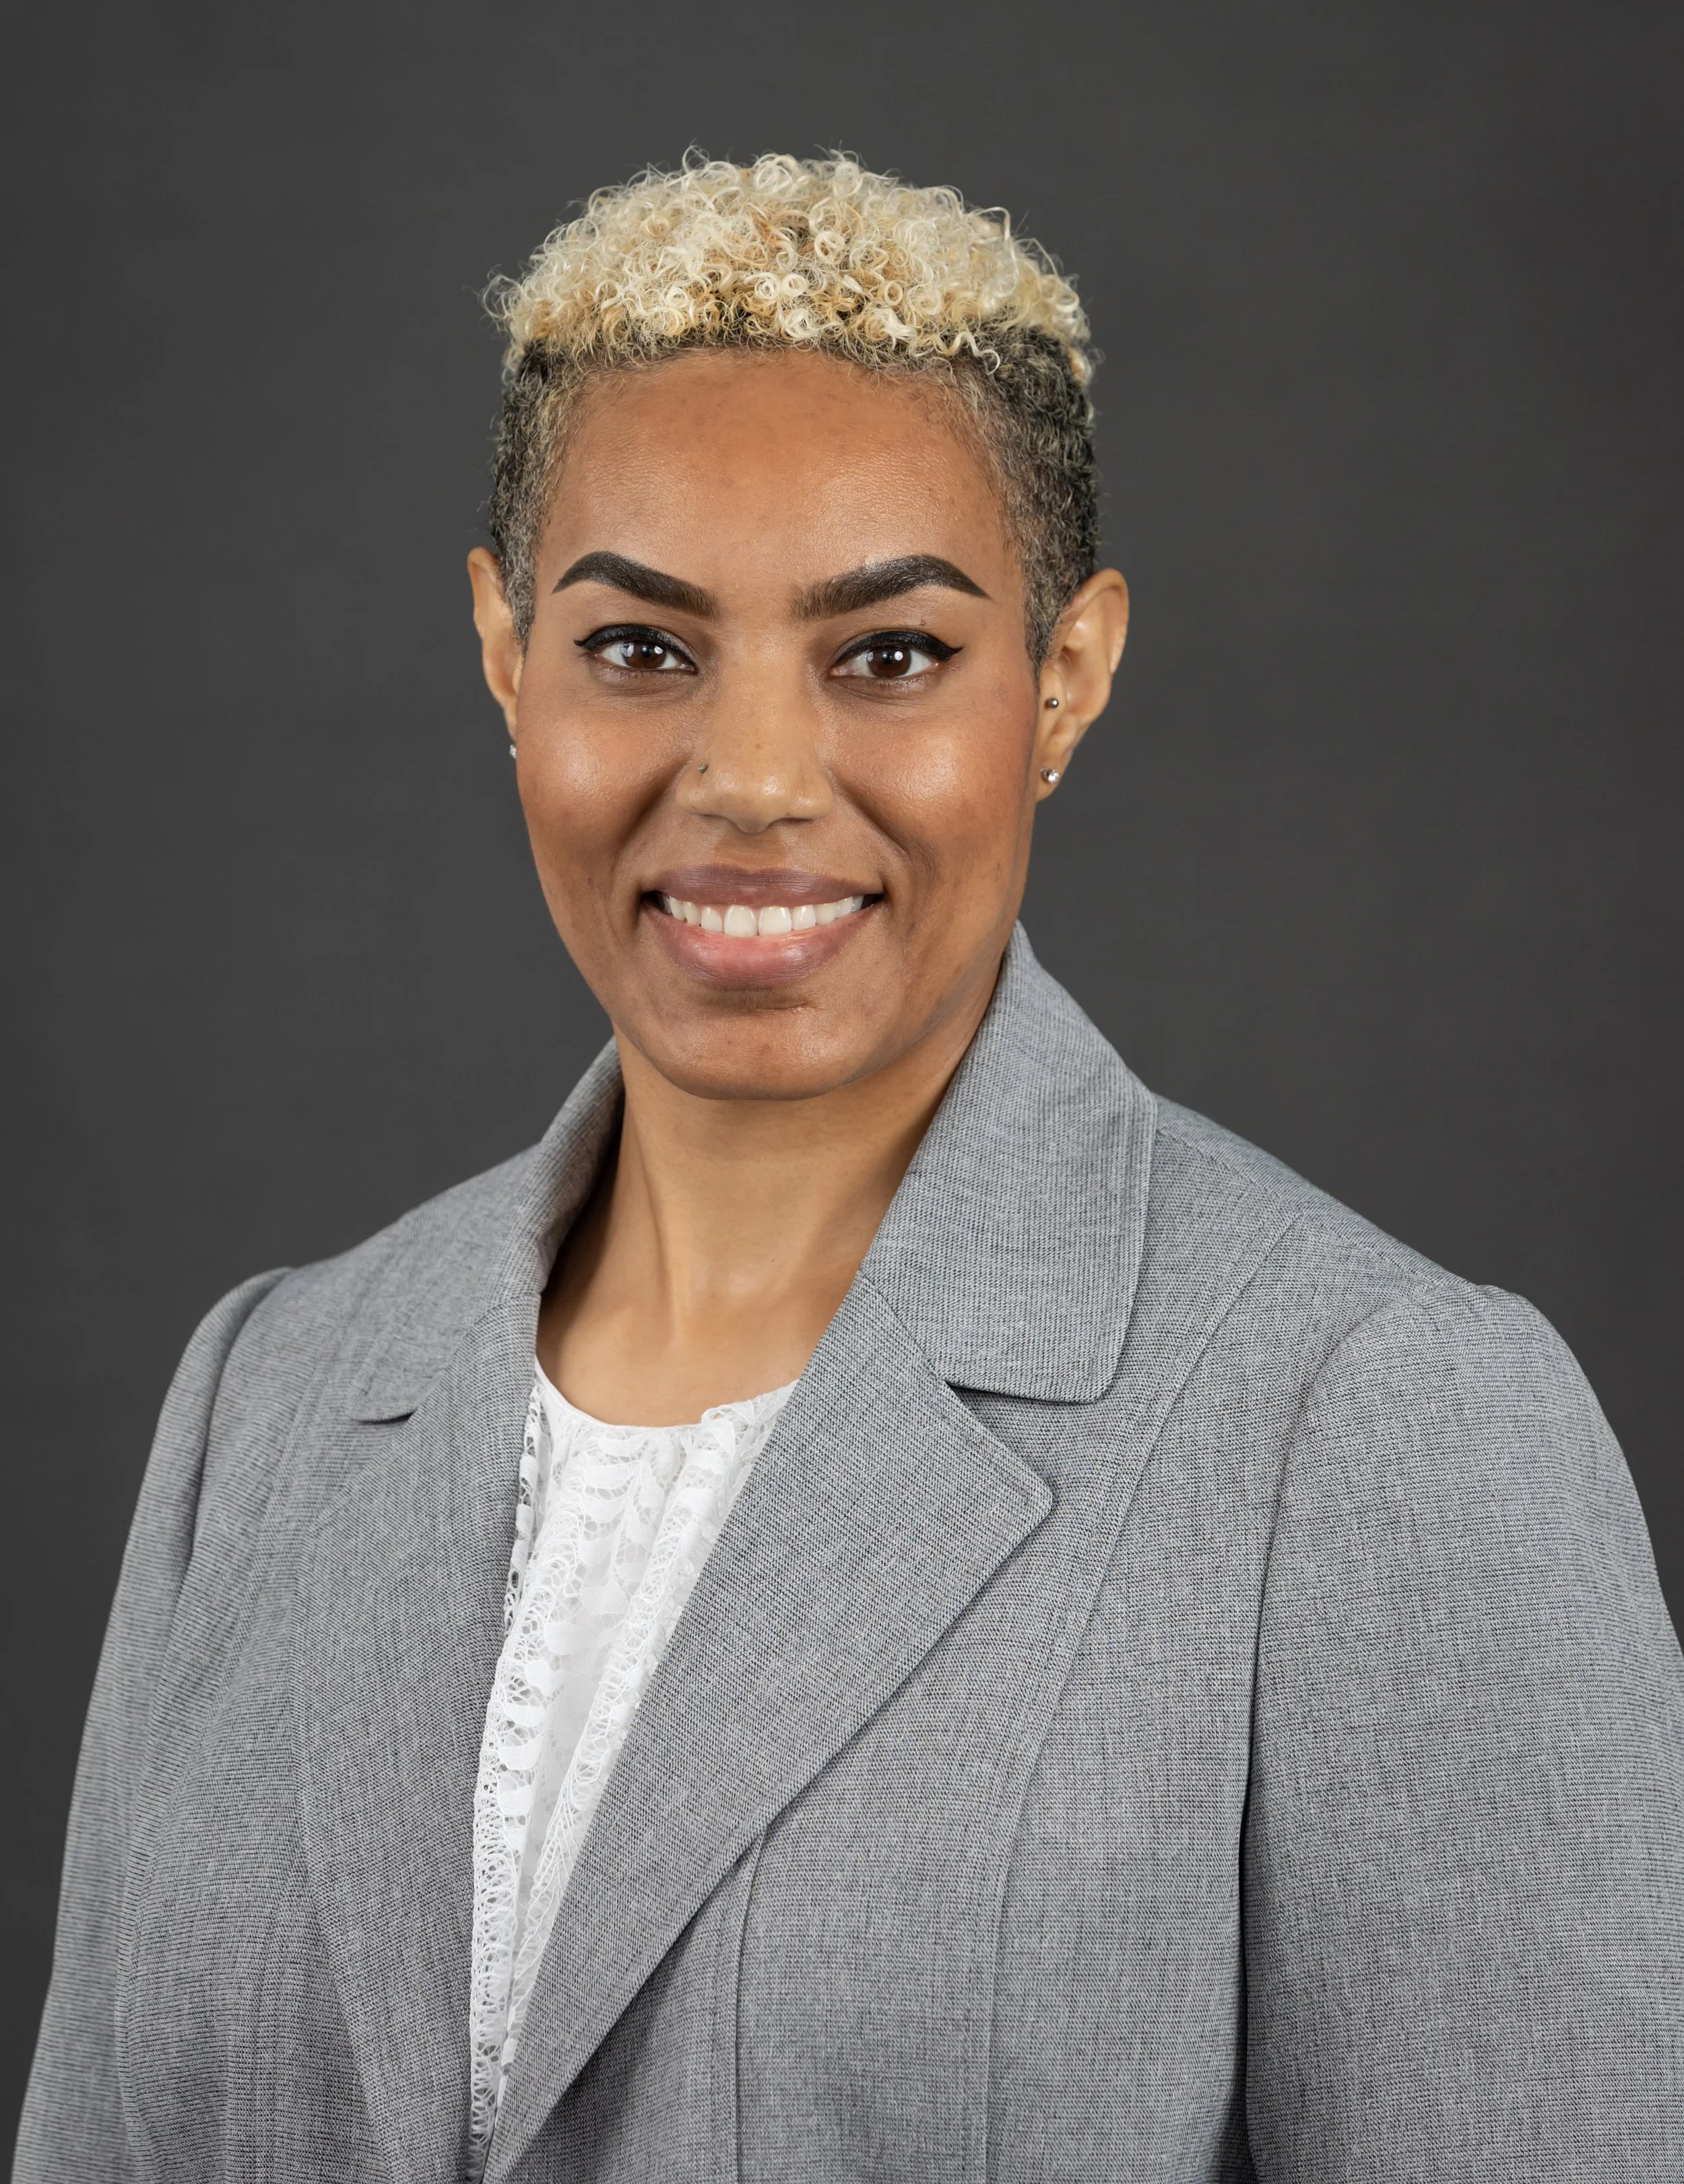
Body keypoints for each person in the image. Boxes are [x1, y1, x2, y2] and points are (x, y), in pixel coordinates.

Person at [15, 154, 1683, 2184]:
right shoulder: (263, 1404)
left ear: (1064, 676)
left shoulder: (1390, 1431)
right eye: (637, 645)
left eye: (886, 657)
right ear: (498, 648)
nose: (749, 779)